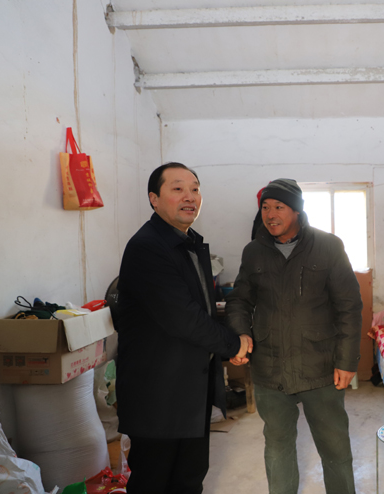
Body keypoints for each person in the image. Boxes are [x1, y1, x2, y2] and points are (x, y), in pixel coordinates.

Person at [115, 162, 252, 494]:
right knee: (154, 482)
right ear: (154, 199)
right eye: (177, 189)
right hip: (158, 396)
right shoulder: (148, 247)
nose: (190, 196)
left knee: (188, 481)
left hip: (187, 390)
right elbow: (184, 318)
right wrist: (233, 345)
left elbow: (202, 310)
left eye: (195, 189)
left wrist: (228, 342)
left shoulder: (187, 243)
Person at [226, 178, 362, 494]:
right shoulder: (254, 252)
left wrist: (347, 361)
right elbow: (239, 300)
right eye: (265, 207)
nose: (270, 214)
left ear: (297, 210)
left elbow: (349, 306)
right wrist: (240, 333)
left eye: (279, 207)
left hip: (320, 367)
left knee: (335, 448)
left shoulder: (328, 246)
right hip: (269, 368)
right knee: (277, 447)